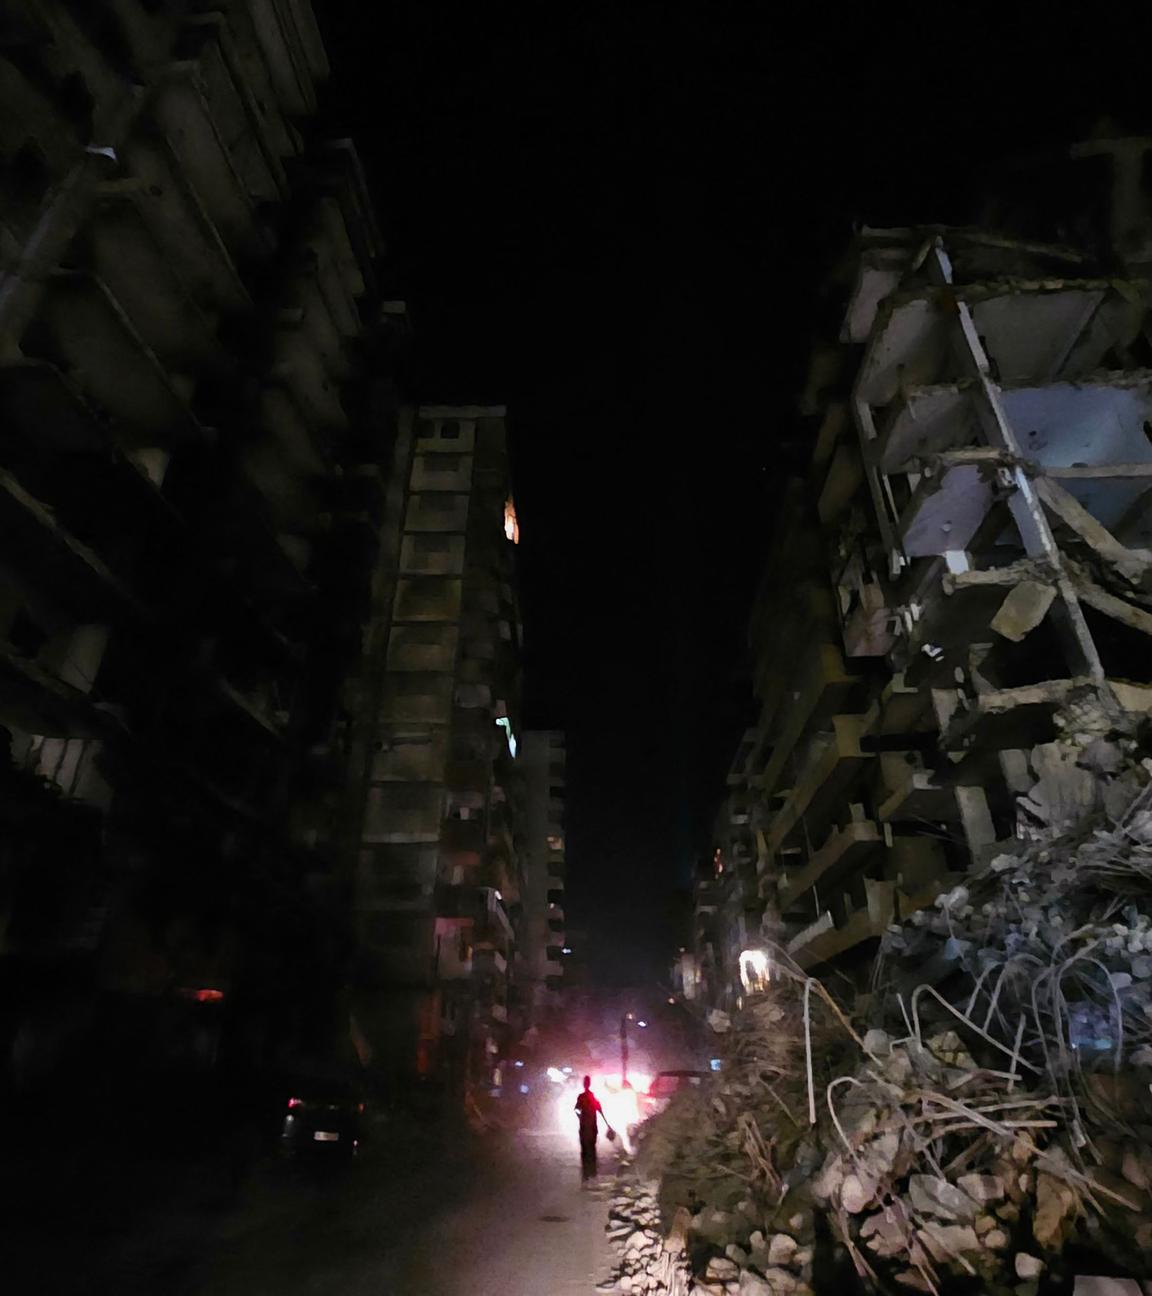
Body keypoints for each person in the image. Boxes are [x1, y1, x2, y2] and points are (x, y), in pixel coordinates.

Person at [574, 1075, 610, 1181]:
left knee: (585, 1149)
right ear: (589, 1084)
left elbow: (576, 1110)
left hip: (584, 1128)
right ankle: (592, 1172)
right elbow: (600, 1111)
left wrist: (580, 1118)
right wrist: (607, 1125)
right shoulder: (592, 1098)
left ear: (584, 1084)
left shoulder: (581, 1097)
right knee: (592, 1149)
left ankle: (586, 1172)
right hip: (592, 1128)